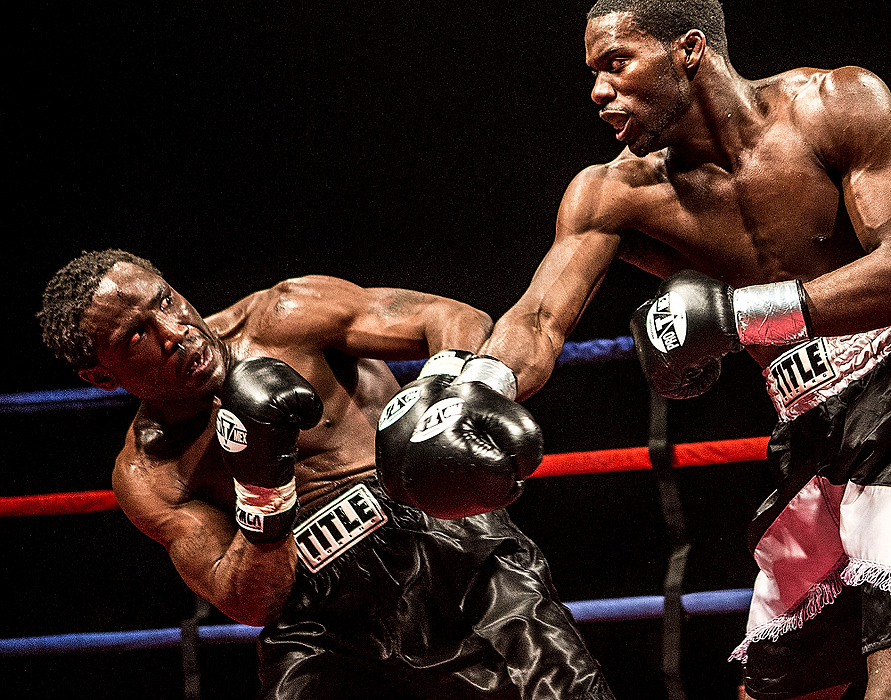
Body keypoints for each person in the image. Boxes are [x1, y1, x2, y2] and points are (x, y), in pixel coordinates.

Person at [463, 1, 891, 698]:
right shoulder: (611, 193)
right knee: (776, 685)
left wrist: (740, 314)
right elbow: (537, 320)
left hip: (890, 387)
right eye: (592, 72)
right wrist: (474, 389)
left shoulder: (835, 104)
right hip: (807, 429)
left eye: (616, 62)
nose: (597, 91)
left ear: (688, 49)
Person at [37, 248, 615, 700]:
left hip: (445, 546)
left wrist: (432, 409)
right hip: (322, 623)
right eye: (136, 336)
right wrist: (263, 490)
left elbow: (450, 318)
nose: (173, 333)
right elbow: (248, 604)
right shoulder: (149, 471)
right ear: (100, 375)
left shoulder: (285, 316)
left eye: (164, 301)